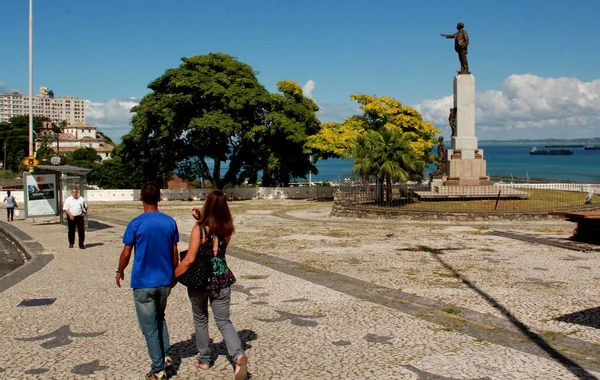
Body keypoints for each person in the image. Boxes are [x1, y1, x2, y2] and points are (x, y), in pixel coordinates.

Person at [175, 190, 248, 380]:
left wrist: (172, 276)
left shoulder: (198, 230)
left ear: (206, 205)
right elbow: (216, 241)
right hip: (222, 279)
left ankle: (205, 359)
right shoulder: (227, 230)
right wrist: (203, 219)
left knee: (200, 319)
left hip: (200, 281)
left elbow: (190, 259)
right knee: (224, 321)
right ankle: (238, 355)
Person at [115, 182, 179, 380]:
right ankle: (166, 353)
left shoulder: (135, 224)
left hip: (143, 281)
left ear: (140, 198)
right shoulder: (169, 222)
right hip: (164, 280)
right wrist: (174, 273)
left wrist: (120, 270)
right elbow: (174, 251)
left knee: (149, 326)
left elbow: (126, 253)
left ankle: (158, 368)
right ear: (160, 197)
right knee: (160, 318)